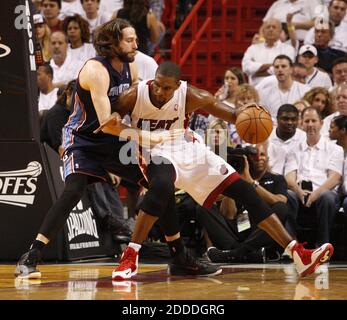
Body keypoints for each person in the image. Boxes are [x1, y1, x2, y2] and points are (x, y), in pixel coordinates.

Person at [102, 61, 334, 280]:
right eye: (158, 85)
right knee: (161, 185)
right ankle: (130, 256)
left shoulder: (191, 95)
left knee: (245, 191)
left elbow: (233, 115)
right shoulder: (135, 94)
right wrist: (117, 124)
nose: (160, 91)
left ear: (178, 86)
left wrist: (250, 114)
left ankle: (297, 253)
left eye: (167, 88)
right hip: (154, 149)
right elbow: (110, 118)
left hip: (187, 147)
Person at [14, 18, 182, 279]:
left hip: (112, 141)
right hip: (83, 140)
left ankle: (180, 254)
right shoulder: (96, 70)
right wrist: (146, 138)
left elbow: (129, 110)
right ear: (112, 42)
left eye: (136, 38)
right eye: (129, 39)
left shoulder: (131, 67)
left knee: (160, 183)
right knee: (73, 191)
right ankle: (31, 256)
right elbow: (106, 123)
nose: (136, 44)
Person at [200, 143, 291, 264]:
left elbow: (280, 201)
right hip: (238, 229)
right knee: (204, 206)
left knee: (281, 208)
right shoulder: (237, 181)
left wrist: (251, 182)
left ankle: (236, 253)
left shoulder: (276, 178)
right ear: (247, 160)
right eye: (253, 156)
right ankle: (245, 253)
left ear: (268, 158)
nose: (258, 158)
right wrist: (231, 180)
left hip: (261, 231)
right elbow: (229, 215)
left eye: (262, 154)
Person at [285, 107, 343, 246]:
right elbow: (289, 178)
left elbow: (334, 178)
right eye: (307, 121)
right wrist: (299, 192)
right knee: (286, 195)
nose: (310, 124)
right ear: (301, 124)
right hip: (300, 192)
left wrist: (316, 194)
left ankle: (322, 245)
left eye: (314, 120)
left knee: (327, 197)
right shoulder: (293, 149)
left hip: (322, 191)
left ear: (321, 123)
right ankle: (291, 245)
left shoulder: (335, 149)